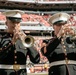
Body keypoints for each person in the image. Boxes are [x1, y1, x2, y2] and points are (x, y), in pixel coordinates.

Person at [0, 10, 40, 75]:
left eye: (18, 23)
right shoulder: (1, 39)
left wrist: (29, 44)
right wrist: (12, 43)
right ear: (6, 23)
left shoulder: (24, 40)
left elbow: (36, 60)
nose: (16, 25)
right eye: (13, 22)